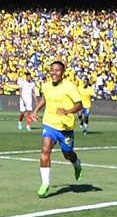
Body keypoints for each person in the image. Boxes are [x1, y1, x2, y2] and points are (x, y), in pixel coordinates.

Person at [30, 61, 84, 197]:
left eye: (57, 70)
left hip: (65, 126)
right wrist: (35, 110)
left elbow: (79, 104)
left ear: (63, 72)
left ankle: (76, 163)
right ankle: (45, 183)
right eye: (52, 70)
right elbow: (45, 99)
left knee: (68, 154)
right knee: (45, 150)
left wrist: (67, 111)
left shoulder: (69, 86)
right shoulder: (46, 86)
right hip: (50, 123)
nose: (54, 73)